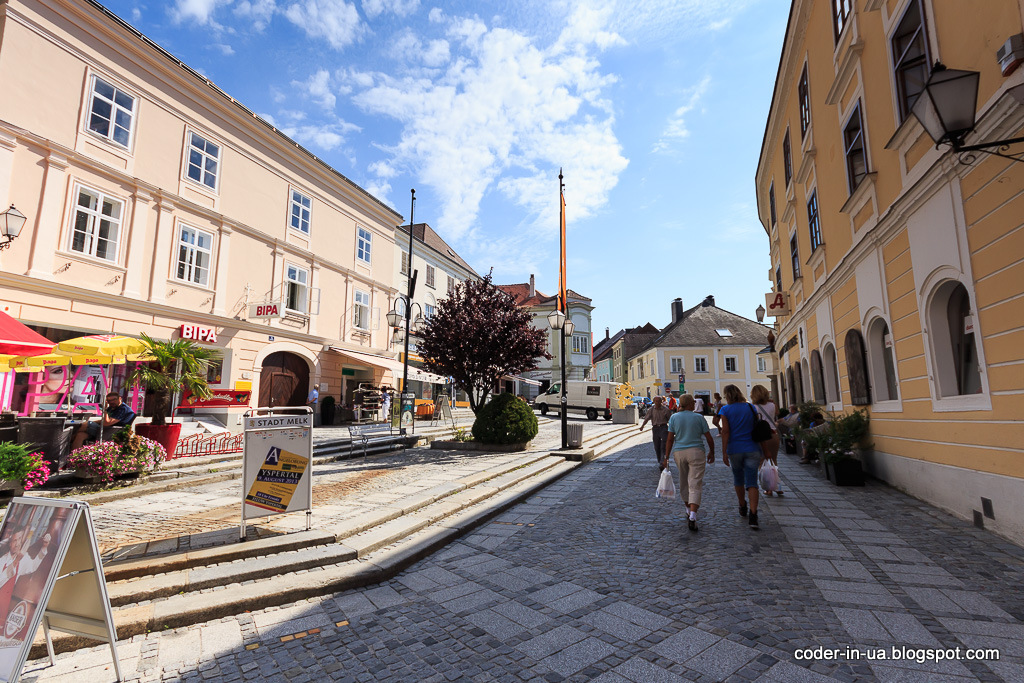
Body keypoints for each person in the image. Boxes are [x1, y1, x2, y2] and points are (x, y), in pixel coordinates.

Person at [663, 394, 715, 532]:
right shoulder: (699, 418)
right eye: (693, 402)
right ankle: (693, 515)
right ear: (690, 404)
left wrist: (666, 457)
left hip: (679, 452)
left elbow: (669, 439)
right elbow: (709, 437)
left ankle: (687, 508)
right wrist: (712, 452)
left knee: (684, 481)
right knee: (695, 483)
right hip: (696, 452)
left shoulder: (674, 417)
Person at [718, 384, 763, 529]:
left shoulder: (725, 409)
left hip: (735, 449)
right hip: (752, 448)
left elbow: (725, 431)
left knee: (738, 479)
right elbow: (756, 427)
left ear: (727, 396)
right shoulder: (751, 408)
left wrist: (724, 451)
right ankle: (754, 514)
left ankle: (742, 505)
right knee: (752, 482)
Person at [750, 385, 783, 496]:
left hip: (761, 437)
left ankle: (769, 488)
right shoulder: (773, 405)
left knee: (762, 462)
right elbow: (776, 414)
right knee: (773, 461)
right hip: (774, 435)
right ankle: (777, 487)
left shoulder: (754, 407)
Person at [639, 395, 672, 469]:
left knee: (663, 446)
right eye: (656, 401)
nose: (657, 402)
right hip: (655, 428)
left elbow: (670, 421)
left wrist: (672, 430)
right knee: (657, 446)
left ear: (661, 401)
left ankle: (662, 462)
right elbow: (647, 418)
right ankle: (660, 460)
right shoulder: (651, 410)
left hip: (664, 428)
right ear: (654, 402)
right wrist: (642, 426)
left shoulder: (666, 410)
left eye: (659, 401)